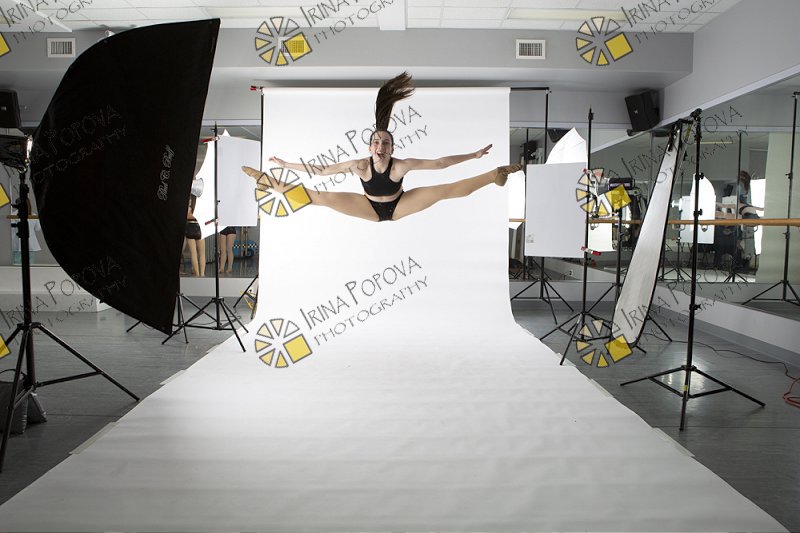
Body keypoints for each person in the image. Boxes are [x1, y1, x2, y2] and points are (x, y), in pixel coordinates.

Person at [241, 72, 521, 222]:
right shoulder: (360, 165)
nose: (381, 146)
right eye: (376, 141)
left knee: (444, 191)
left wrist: (473, 155)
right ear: (370, 147)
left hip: (400, 205)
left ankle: (495, 174)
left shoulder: (401, 166)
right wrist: (287, 165)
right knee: (318, 197)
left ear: (392, 148)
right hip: (368, 207)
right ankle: (268, 182)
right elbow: (323, 170)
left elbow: (439, 164)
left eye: (386, 142)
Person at [184, 196, 205, 277]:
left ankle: (197, 274)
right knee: (202, 253)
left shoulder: (188, 207)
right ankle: (202, 274)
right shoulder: (200, 207)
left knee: (193, 254)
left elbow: (186, 217)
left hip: (189, 228)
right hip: (199, 228)